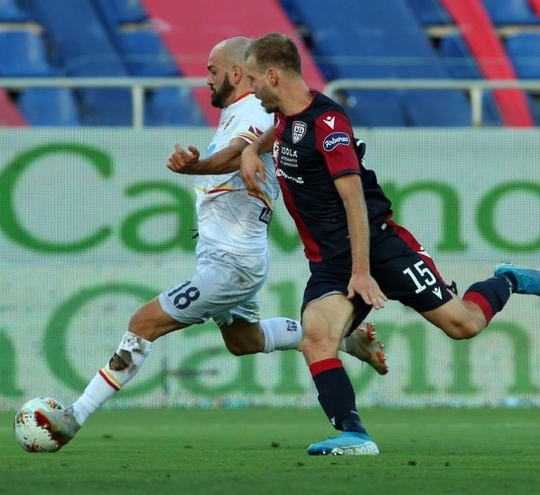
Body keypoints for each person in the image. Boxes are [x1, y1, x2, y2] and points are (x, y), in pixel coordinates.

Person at [39, 36, 388, 448]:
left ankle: (73, 418)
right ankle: (346, 337)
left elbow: (236, 156)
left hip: (233, 263)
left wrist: (196, 167)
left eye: (212, 71)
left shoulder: (256, 110)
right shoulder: (237, 112)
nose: (206, 80)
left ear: (237, 73)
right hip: (225, 257)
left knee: (142, 324)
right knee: (245, 342)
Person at [239, 31, 540, 457]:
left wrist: (361, 272)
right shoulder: (288, 117)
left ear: (273, 75)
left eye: (252, 79)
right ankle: (353, 433)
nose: (249, 89)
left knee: (463, 325)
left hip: (380, 246)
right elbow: (282, 131)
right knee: (317, 336)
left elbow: (355, 201)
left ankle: (508, 279)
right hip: (331, 262)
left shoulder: (329, 125)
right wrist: (253, 149)